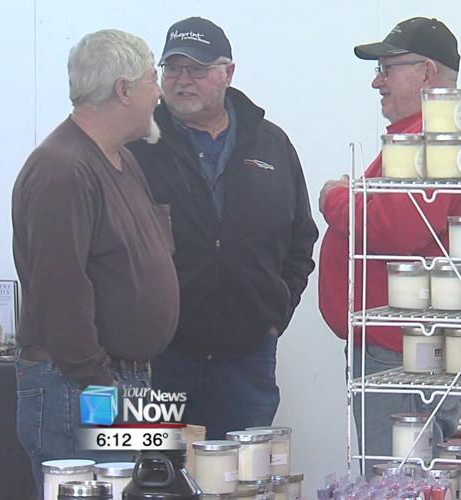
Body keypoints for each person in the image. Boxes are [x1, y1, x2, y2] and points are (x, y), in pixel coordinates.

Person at [128, 17, 318, 440]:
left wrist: (275, 312)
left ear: (228, 73)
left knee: (241, 479)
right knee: (154, 475)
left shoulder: (271, 143)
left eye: (197, 69)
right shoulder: (137, 146)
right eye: (173, 69)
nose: (183, 81)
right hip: (158, 357)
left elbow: (301, 237)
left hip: (246, 358)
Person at [12, 29, 179, 493]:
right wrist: (102, 389)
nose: (160, 93)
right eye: (152, 80)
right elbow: (59, 292)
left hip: (120, 382)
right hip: (81, 387)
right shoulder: (62, 169)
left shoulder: (121, 160)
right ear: (124, 90)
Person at [318, 17, 461, 471]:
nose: (376, 81)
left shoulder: (430, 138)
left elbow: (398, 230)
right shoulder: (431, 134)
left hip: (399, 349)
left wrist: (336, 198)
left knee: (395, 478)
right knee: (423, 473)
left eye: (387, 69)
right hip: (408, 342)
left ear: (426, 72)